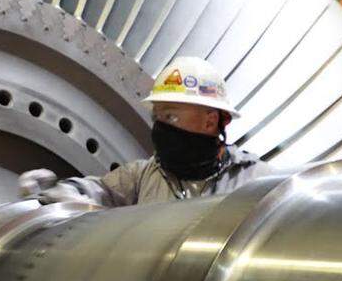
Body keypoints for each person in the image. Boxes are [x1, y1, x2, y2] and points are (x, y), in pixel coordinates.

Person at [20, 56, 271, 206]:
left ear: (210, 121)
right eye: (157, 116)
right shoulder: (143, 176)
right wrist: (54, 193)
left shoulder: (255, 181)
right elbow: (98, 190)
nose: (161, 127)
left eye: (171, 115)